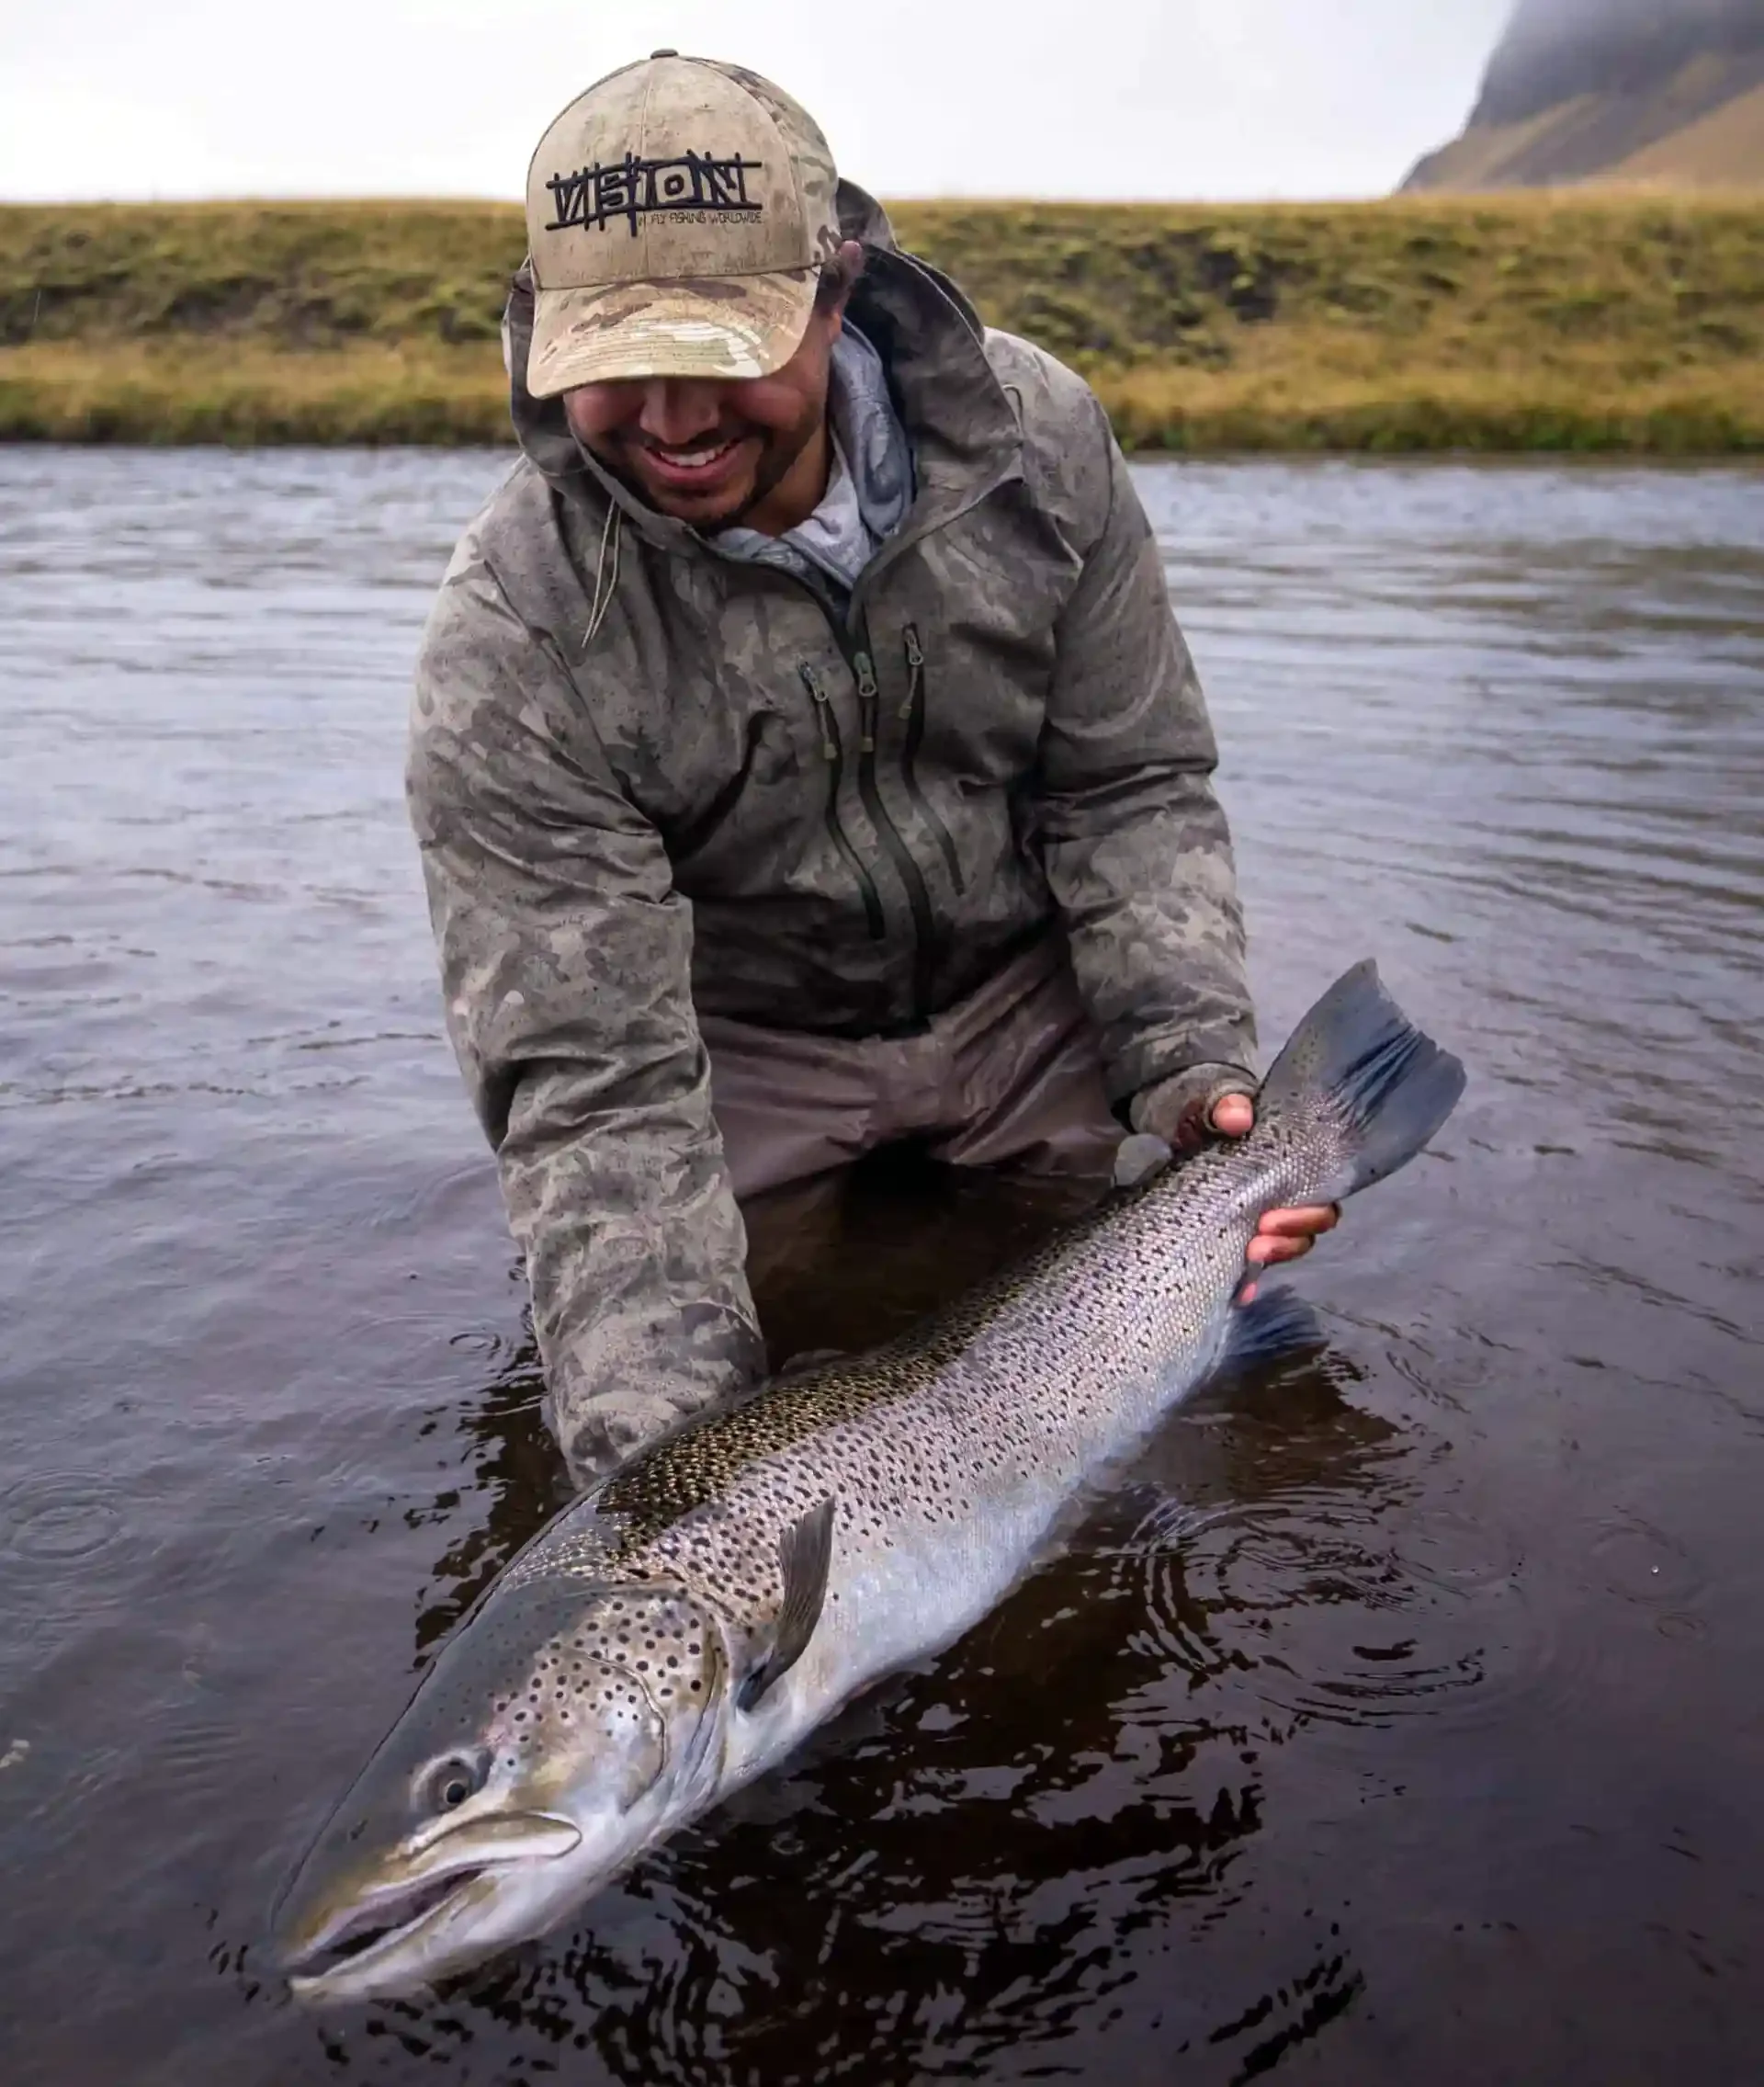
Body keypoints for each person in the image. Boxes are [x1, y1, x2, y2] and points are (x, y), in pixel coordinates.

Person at [409, 51, 1338, 1488]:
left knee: (1162, 1382)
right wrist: (681, 1510)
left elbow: (1128, 784)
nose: (668, 422)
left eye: (719, 354)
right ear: (539, 334)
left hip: (1028, 1010)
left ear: (838, 291)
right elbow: (598, 1085)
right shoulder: (519, 625)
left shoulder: (1035, 446)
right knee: (675, 1412)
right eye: (611, 366)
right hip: (746, 1056)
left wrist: (1188, 1062)